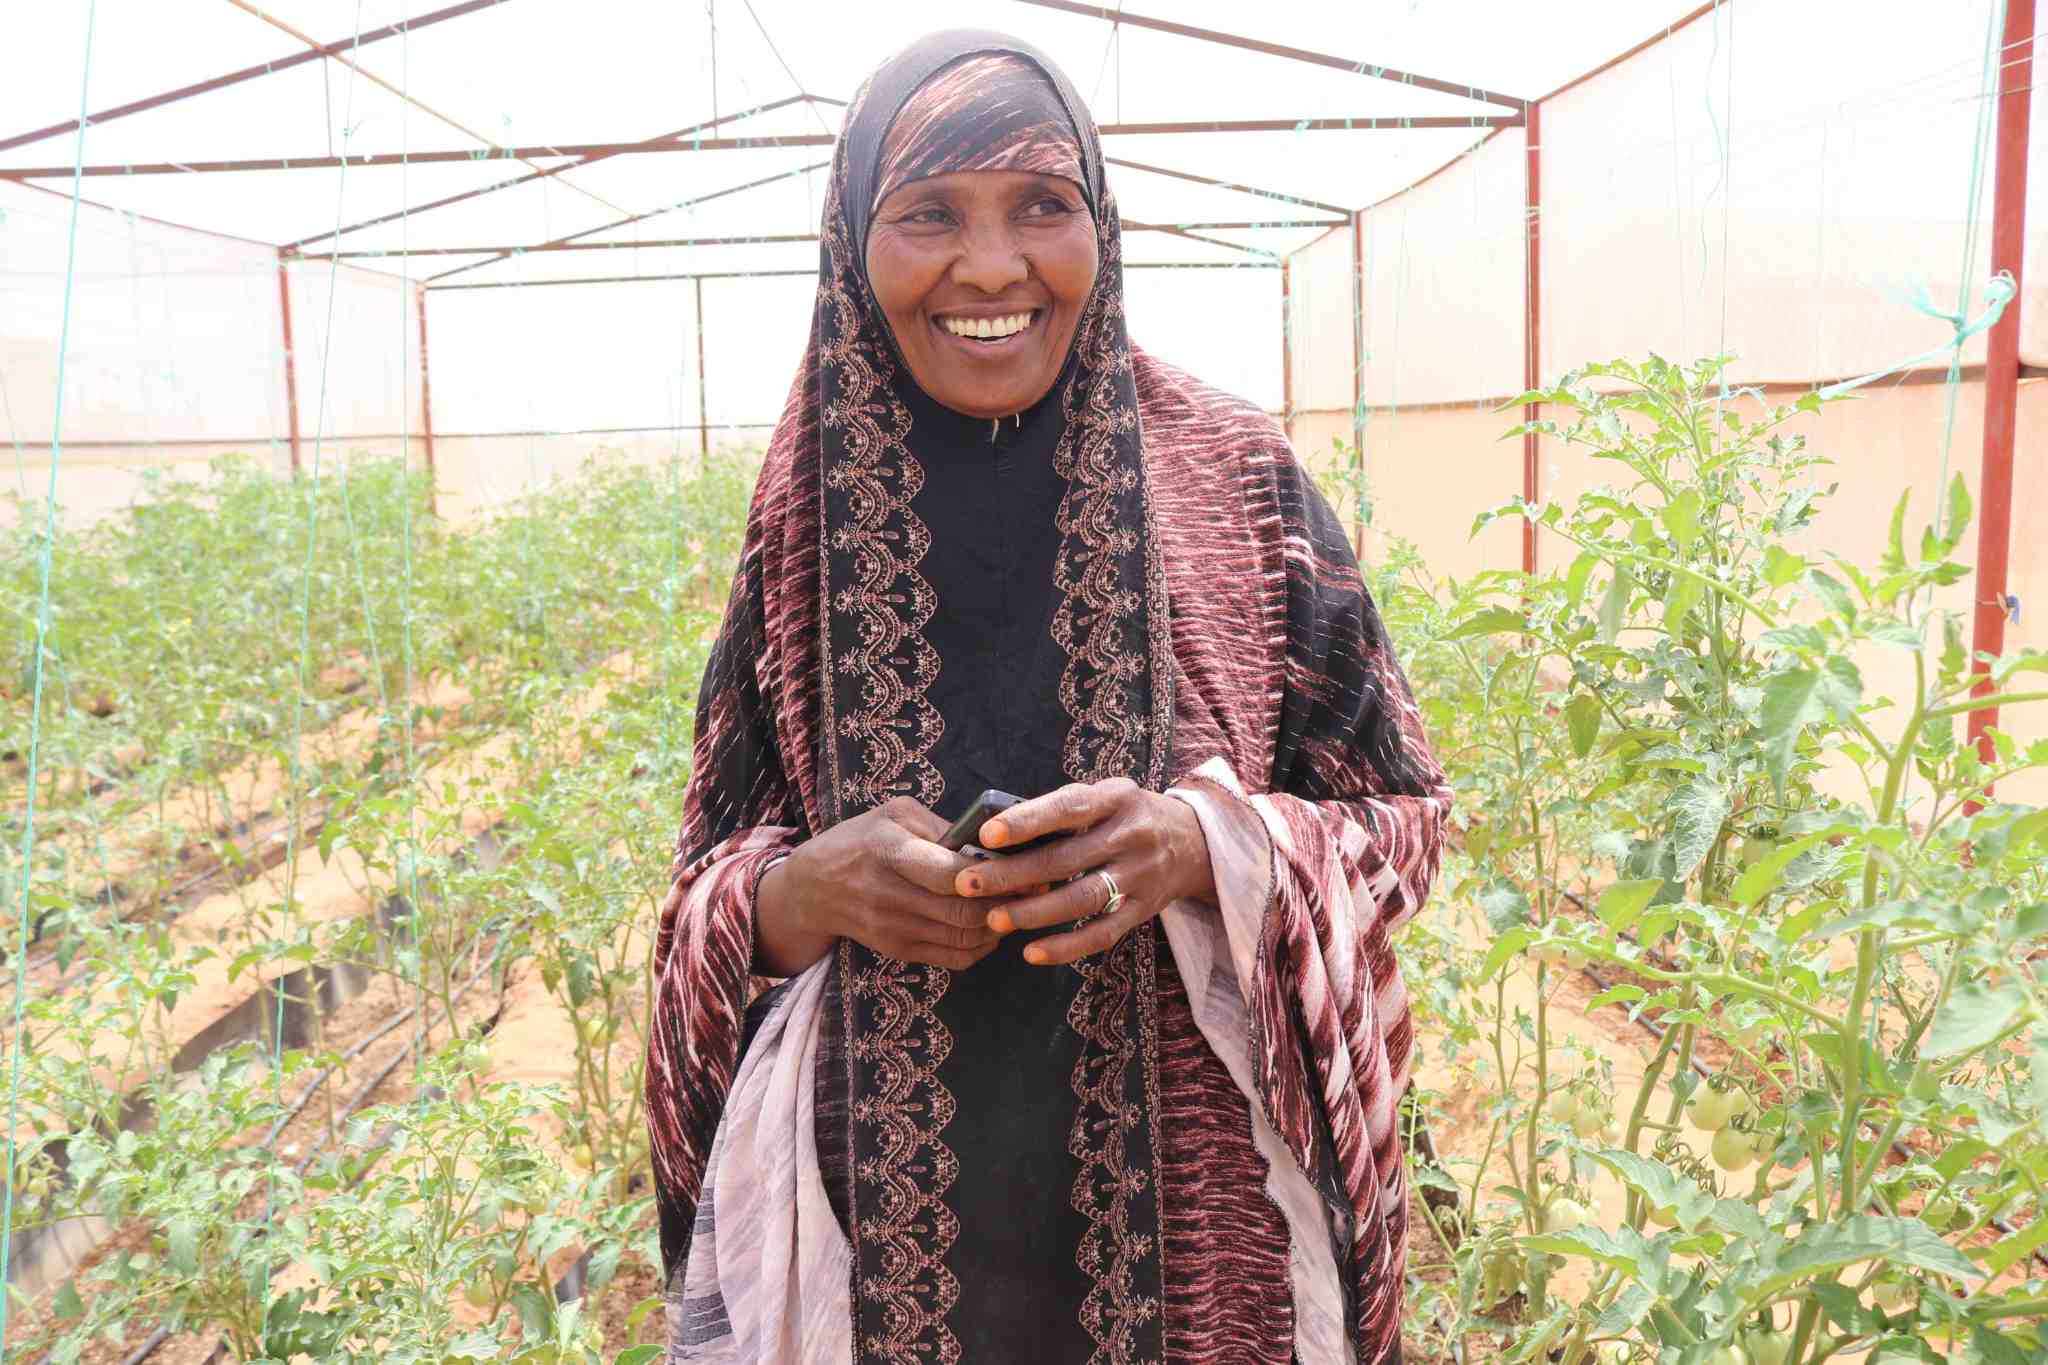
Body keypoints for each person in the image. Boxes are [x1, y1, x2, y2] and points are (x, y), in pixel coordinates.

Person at [644, 29, 1450, 1365]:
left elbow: (1404, 813)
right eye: (928, 216)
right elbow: (705, 899)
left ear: (1102, 226)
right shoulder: (803, 519)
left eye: (1041, 206)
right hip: (869, 1264)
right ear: (853, 248)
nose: (993, 266)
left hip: (1206, 1261)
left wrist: (1204, 846)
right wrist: (807, 892)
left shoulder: (1238, 481)